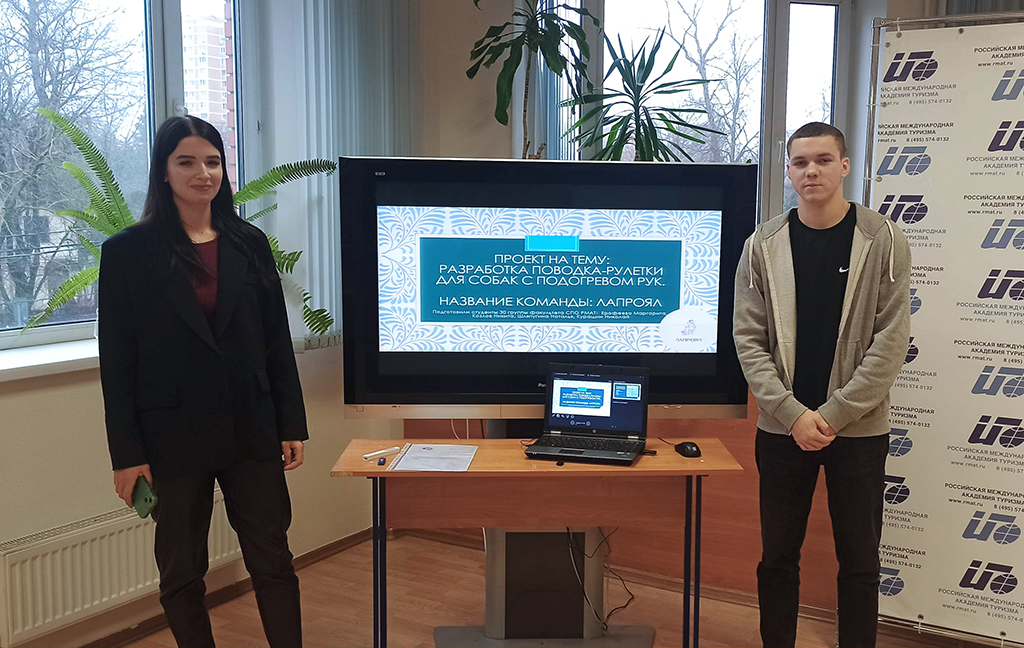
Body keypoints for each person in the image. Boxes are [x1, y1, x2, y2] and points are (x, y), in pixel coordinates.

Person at [98, 116, 307, 648]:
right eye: (186, 162)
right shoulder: (127, 252)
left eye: (213, 161)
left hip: (251, 428)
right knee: (182, 571)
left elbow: (275, 342)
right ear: (163, 171)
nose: (203, 173)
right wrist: (127, 455)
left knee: (273, 560)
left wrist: (290, 423)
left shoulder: (250, 242)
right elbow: (117, 362)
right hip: (170, 436)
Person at [733, 122, 911, 648]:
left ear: (844, 166)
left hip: (857, 432)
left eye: (823, 160)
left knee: (860, 561)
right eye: (800, 162)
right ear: (789, 171)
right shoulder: (762, 245)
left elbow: (891, 340)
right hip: (782, 431)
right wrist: (793, 415)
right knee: (777, 558)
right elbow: (749, 341)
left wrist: (831, 415)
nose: (811, 171)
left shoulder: (883, 239)